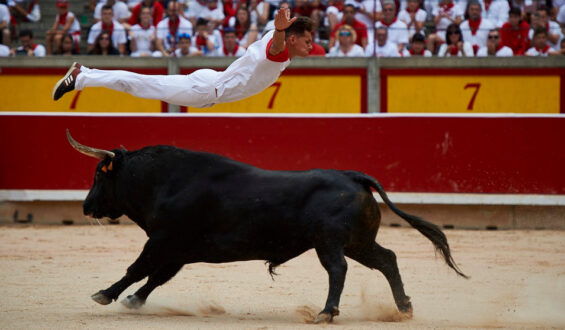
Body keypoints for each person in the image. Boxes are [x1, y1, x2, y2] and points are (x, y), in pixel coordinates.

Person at [53, 9, 313, 109]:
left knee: (141, 86)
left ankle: (84, 74)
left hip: (211, 87)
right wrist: (280, 31)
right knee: (138, 85)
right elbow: (276, 48)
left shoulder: (278, 40)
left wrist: (280, 30)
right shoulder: (278, 48)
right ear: (292, 39)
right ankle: (82, 76)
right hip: (206, 89)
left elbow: (279, 42)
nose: (312, 47)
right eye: (308, 41)